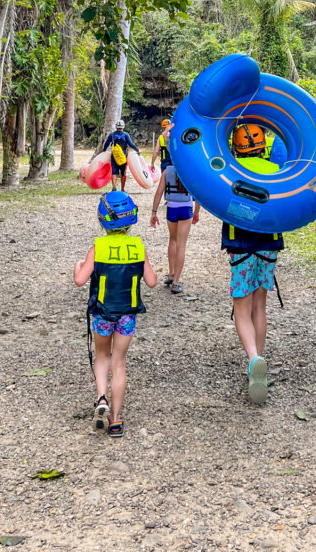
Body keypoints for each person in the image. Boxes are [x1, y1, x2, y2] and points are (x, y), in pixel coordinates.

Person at [73, 190, 157, 437]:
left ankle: (101, 398)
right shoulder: (138, 247)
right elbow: (152, 281)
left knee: (102, 355)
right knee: (119, 363)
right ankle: (116, 420)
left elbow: (80, 280)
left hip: (101, 313)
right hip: (127, 315)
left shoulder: (97, 248)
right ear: (131, 219)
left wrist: (78, 266)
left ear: (103, 220)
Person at [224, 122, 284, 406]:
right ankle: (256, 368)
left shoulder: (229, 169)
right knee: (260, 305)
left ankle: (253, 358)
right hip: (269, 244)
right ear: (263, 145)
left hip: (241, 246)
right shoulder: (276, 170)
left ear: (236, 146)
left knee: (242, 307)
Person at [150, 164, 200, 294]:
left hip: (171, 208)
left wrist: (154, 212)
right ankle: (176, 283)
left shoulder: (167, 171)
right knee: (181, 245)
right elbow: (198, 193)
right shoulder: (191, 169)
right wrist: (196, 212)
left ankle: (171, 274)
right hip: (186, 209)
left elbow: (159, 192)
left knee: (172, 240)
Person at [102, 118, 140, 192]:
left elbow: (106, 144)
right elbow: (131, 144)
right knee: (123, 172)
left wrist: (104, 151)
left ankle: (114, 187)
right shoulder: (126, 135)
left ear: (116, 127)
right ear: (123, 127)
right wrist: (137, 150)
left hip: (114, 156)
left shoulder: (112, 135)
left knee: (114, 171)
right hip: (124, 156)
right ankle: (122, 189)